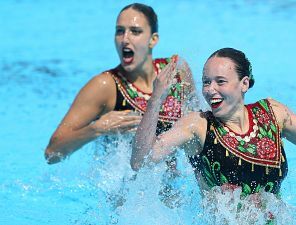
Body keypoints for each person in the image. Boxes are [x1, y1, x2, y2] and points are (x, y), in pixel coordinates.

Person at [131, 44, 296, 222]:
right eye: (206, 82)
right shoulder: (198, 126)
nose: (210, 90)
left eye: (220, 81)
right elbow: (140, 160)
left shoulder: (273, 114)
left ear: (244, 84)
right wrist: (155, 100)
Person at [44, 3, 197, 164]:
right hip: (126, 188)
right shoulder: (105, 86)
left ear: (153, 40)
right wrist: (96, 129)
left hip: (175, 188)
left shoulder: (176, 72)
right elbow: (52, 152)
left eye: (135, 32)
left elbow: (198, 126)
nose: (125, 39)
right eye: (120, 31)